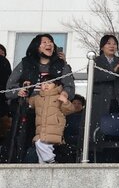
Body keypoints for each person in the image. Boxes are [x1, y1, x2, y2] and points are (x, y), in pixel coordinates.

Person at [7, 34, 74, 162]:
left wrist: (65, 94)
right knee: (23, 143)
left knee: (52, 144)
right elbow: (9, 88)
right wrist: (19, 91)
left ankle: (52, 163)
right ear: (36, 46)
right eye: (44, 42)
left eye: (51, 42)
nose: (49, 44)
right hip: (29, 110)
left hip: (53, 111)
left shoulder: (61, 65)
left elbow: (70, 87)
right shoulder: (25, 63)